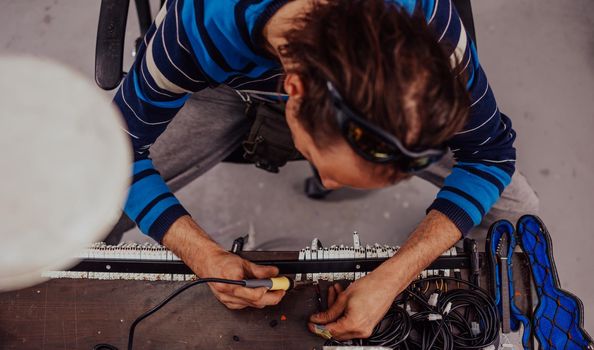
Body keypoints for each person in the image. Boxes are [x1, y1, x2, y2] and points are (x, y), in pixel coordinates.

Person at [113, 0, 539, 341]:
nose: (326, 186)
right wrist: (199, 250)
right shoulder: (199, 25)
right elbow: (117, 151)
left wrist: (395, 275)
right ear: (292, 92)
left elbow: (489, 156)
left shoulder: (431, 31)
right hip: (227, 86)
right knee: (88, 195)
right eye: (328, 172)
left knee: (518, 211)